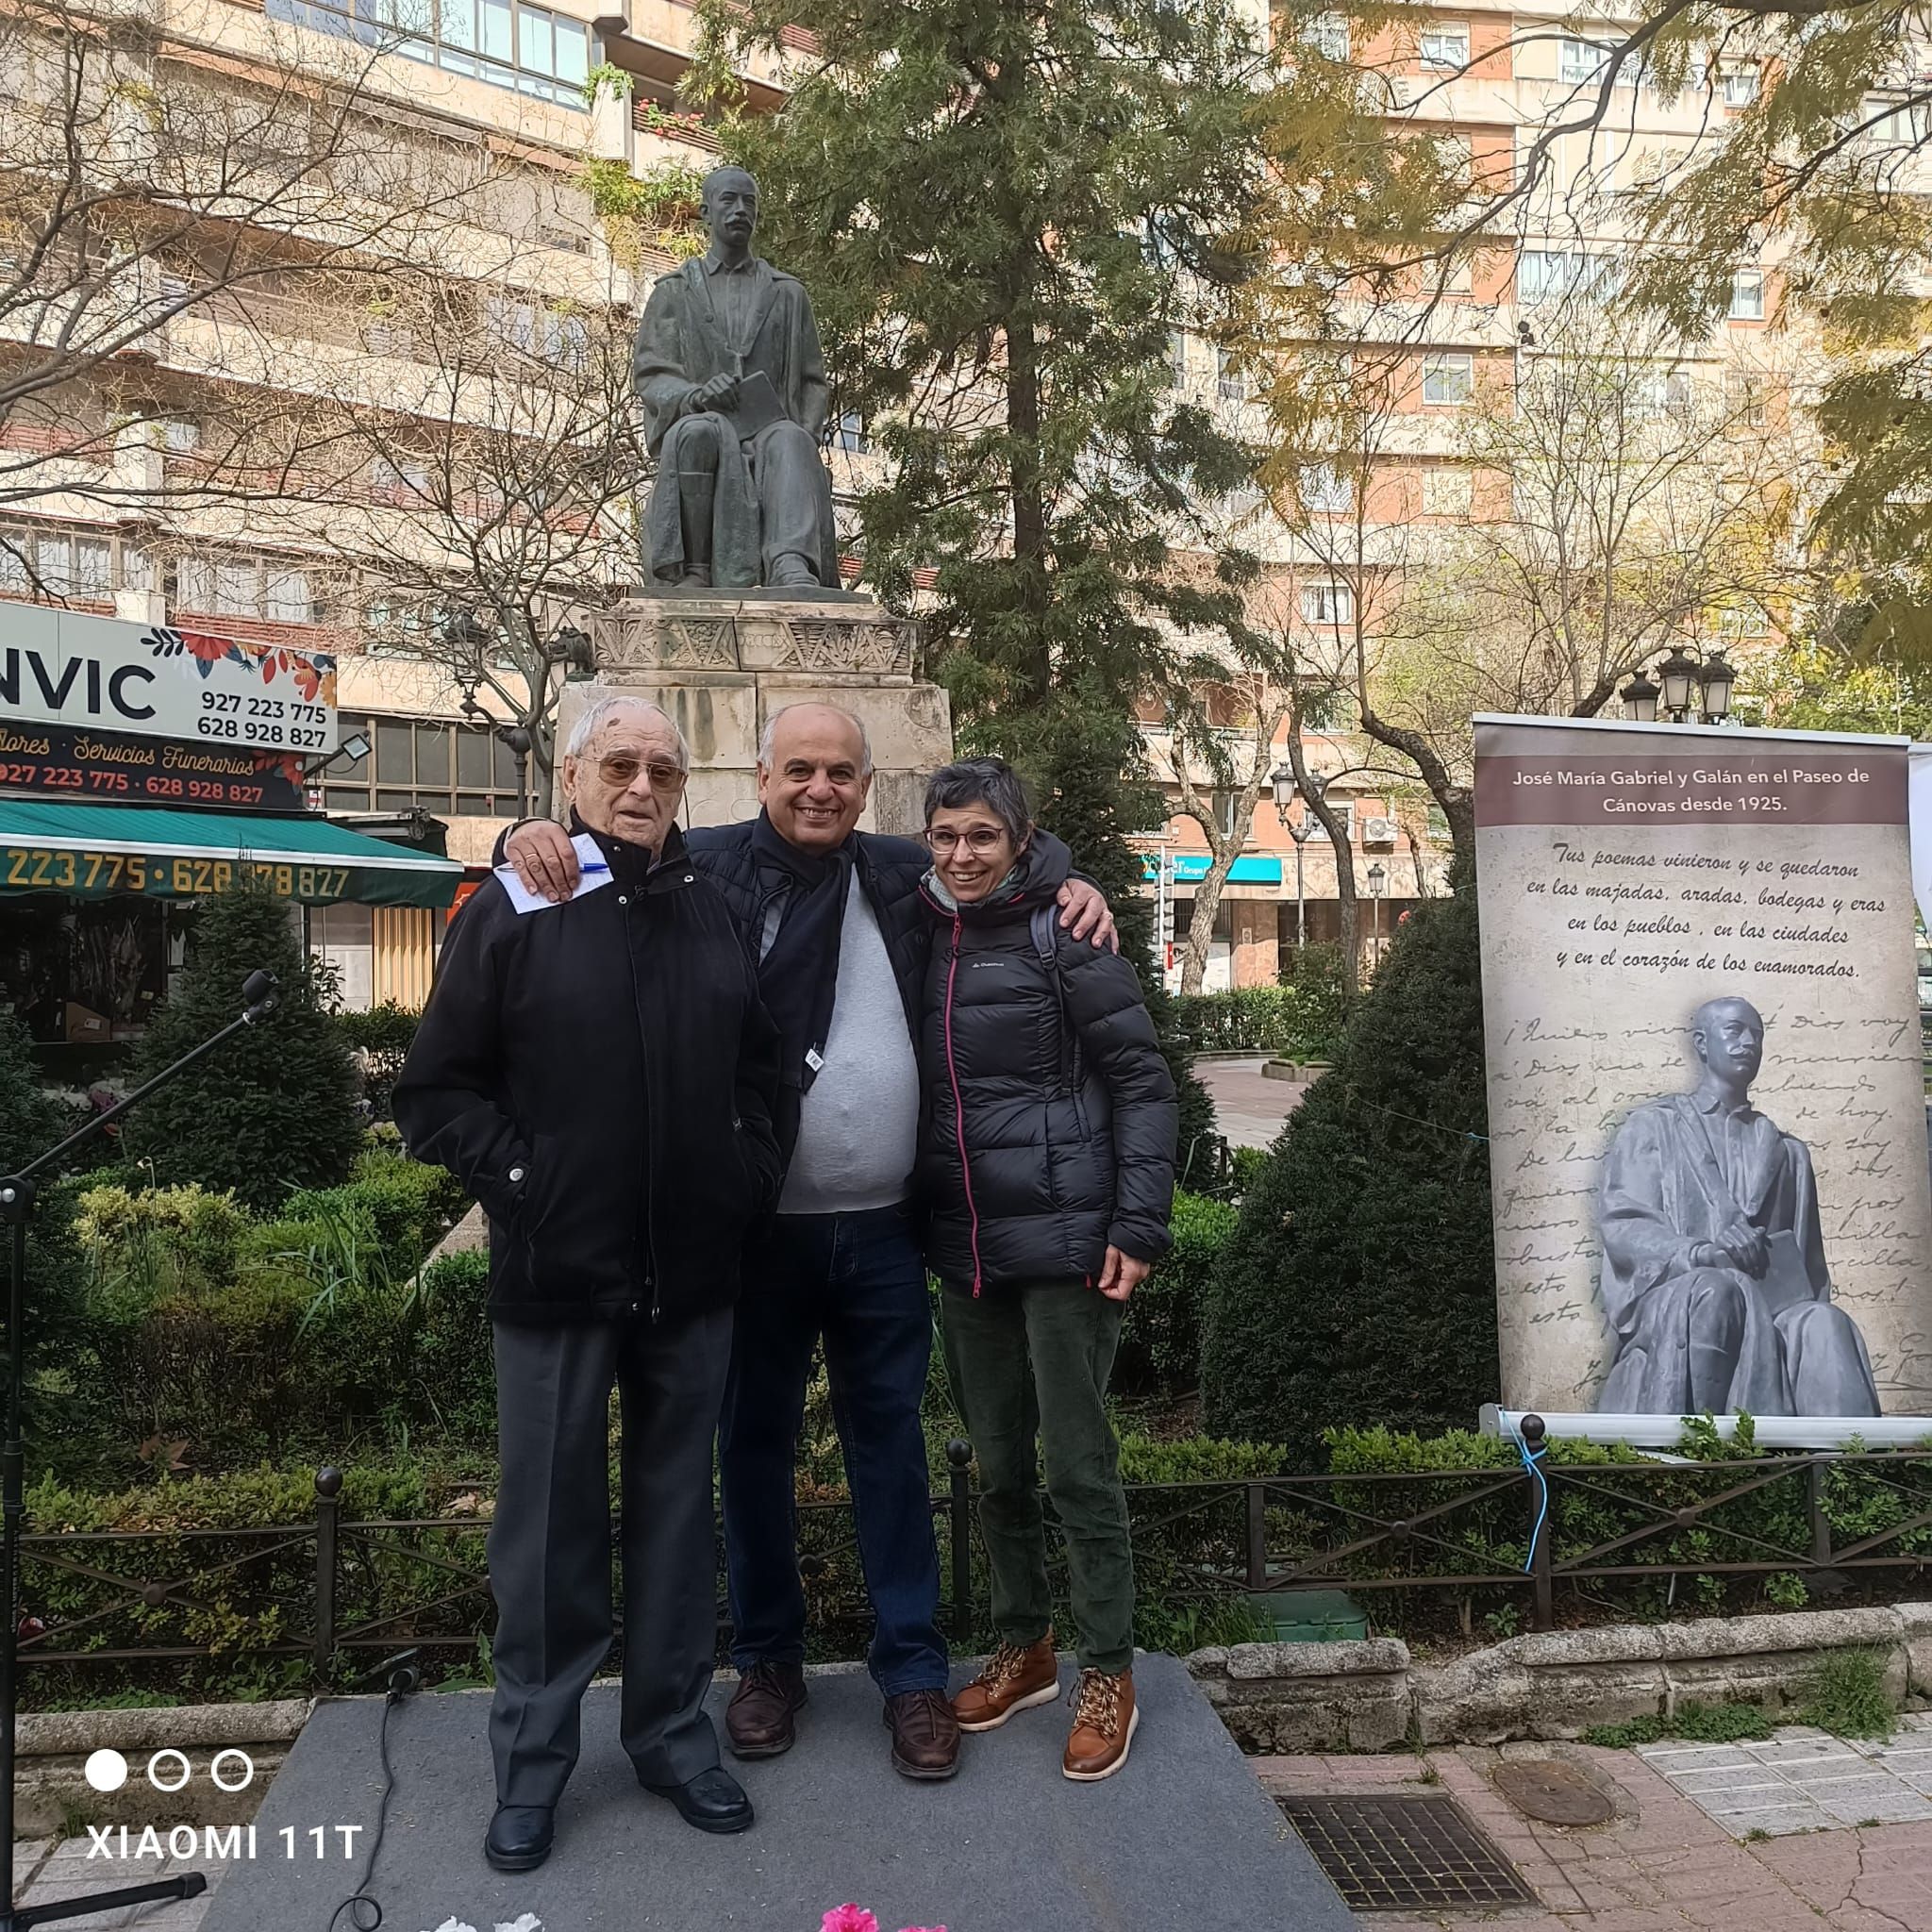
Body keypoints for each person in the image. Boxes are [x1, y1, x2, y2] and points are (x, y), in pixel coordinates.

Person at [498, 703, 1116, 1782]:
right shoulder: (710, 866)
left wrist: (1069, 873)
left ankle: (912, 1674)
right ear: (760, 776)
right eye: (798, 770)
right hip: (755, 1236)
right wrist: (521, 834)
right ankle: (768, 1663)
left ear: (865, 784)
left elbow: (993, 849)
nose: (818, 787)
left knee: (893, 1452)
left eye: (839, 771)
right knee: (752, 1453)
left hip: (883, 1232)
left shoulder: (898, 871)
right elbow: (611, 845)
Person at [394, 697, 783, 1874]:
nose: (642, 782)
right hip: (557, 1272)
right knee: (548, 1530)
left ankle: (671, 1735)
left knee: (677, 1522)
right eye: (618, 762)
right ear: (571, 775)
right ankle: (530, 1768)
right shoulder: (518, 900)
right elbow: (437, 1092)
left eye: (663, 766)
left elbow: (760, 1068)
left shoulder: (713, 904)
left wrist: (744, 1173)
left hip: (693, 1276)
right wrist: (527, 1180)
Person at [914, 757, 1176, 1783]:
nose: (962, 854)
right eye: (945, 836)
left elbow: (1144, 1083)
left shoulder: (1065, 934)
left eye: (983, 835)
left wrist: (1139, 1221)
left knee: (1076, 1462)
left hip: (1069, 1245)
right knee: (996, 1463)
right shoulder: (918, 927)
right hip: (967, 1245)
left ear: (1020, 840)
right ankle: (1023, 1644)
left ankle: (1107, 1665)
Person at [1596, 995, 1880, 1417]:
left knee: (1824, 1323)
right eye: (1735, 1030)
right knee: (1720, 1290)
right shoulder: (1654, 1126)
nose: (1748, 1042)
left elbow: (1809, 1266)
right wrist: (1700, 1252)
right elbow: (1625, 1225)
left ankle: (1847, 1475)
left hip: (1771, 1305)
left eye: (1757, 1034)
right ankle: (1711, 1468)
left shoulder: (1788, 1155)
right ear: (1702, 1043)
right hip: (1682, 1293)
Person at [632, 165, 839, 589]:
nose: (740, 210)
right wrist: (695, 395)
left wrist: (804, 433)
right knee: (697, 433)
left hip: (769, 431)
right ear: (706, 213)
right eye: (729, 200)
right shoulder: (673, 292)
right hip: (702, 423)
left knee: (790, 440)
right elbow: (652, 374)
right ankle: (696, 569)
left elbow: (813, 381)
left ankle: (790, 563)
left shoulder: (787, 294)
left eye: (749, 202)